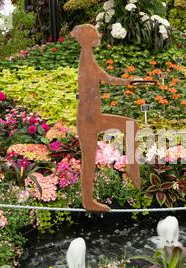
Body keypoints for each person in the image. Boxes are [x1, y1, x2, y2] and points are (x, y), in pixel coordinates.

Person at [70, 24, 141, 212]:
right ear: (89, 40)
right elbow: (104, 80)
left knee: (132, 125)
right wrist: (127, 81)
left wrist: (128, 81)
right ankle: (88, 201)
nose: (99, 37)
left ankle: (132, 167)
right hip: (88, 119)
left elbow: (108, 78)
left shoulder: (89, 60)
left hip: (94, 117)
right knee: (88, 161)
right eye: (95, 35)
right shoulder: (87, 61)